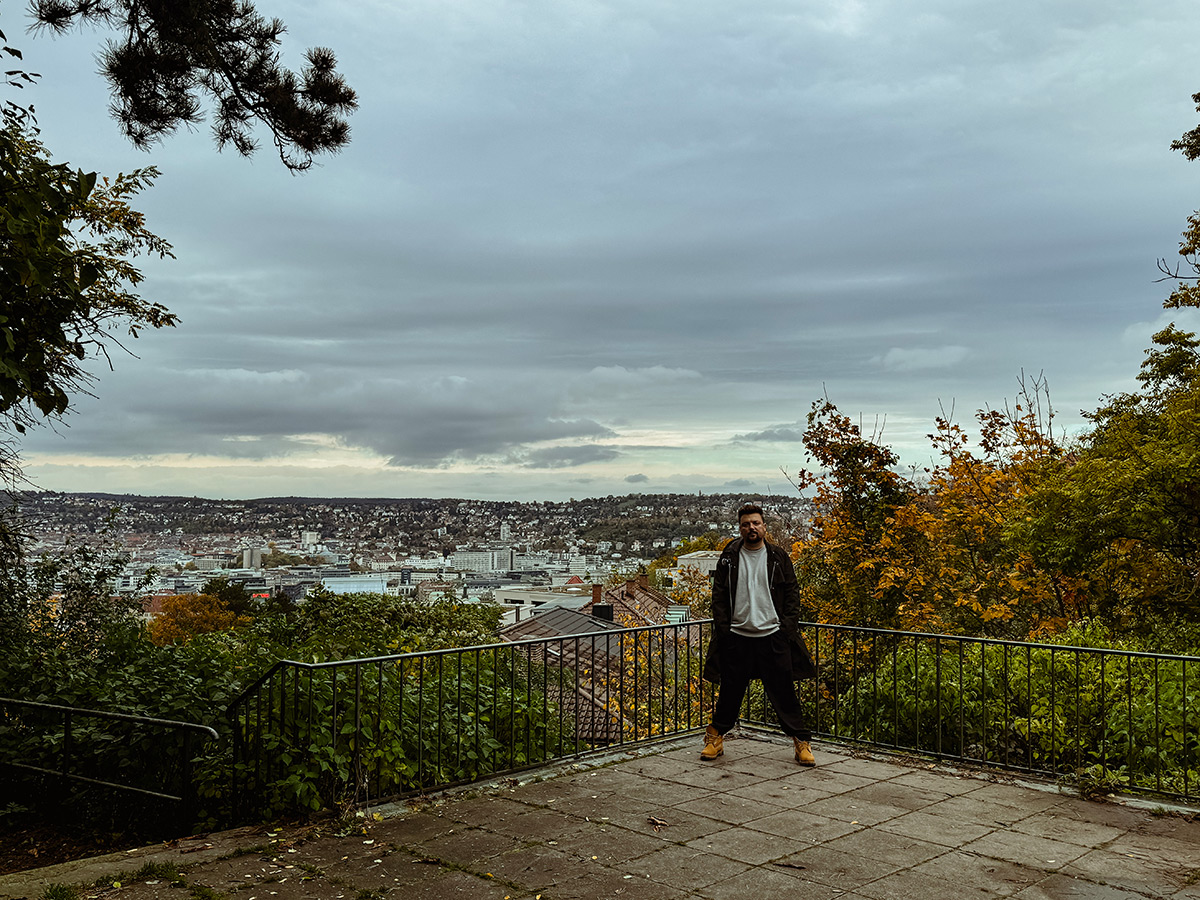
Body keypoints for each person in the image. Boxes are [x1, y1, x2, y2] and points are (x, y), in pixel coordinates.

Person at [700, 503, 818, 765]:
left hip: (772, 635)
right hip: (737, 637)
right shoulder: (729, 557)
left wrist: (786, 629)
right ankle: (715, 738)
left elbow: (792, 595)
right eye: (745, 524)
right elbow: (718, 596)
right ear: (740, 528)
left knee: (784, 693)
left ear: (764, 526)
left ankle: (802, 743)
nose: (751, 528)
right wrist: (725, 630)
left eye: (755, 523)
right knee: (730, 691)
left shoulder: (778, 557)